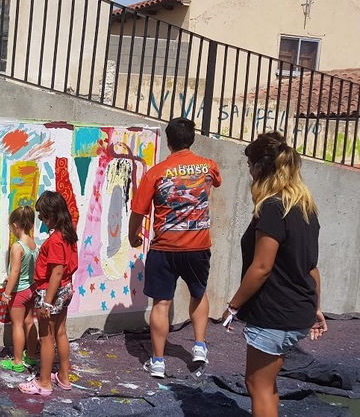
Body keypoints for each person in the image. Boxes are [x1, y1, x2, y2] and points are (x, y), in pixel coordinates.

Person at [222, 132, 326, 417]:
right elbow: (311, 266)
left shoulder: (272, 207)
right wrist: (316, 307)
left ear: (260, 168)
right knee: (266, 384)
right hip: (297, 311)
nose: (248, 173)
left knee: (258, 384)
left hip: (274, 314)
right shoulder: (306, 209)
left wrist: (233, 305)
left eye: (249, 166)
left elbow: (261, 267)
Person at [128, 117, 222, 379]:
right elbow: (216, 181)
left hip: (165, 248)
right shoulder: (208, 167)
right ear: (192, 139)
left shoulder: (156, 173)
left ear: (168, 142)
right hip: (198, 245)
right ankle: (199, 346)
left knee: (161, 303)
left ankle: (158, 361)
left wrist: (131, 235)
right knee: (198, 293)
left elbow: (138, 211)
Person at [18, 191, 78, 396]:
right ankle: (63, 376)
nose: (42, 221)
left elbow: (57, 271)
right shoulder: (68, 234)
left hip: (51, 292)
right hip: (66, 289)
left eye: (43, 216)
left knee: (46, 337)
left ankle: (44, 382)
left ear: (52, 214)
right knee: (60, 332)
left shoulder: (55, 240)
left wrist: (47, 303)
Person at [0, 206, 39, 373]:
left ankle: (16, 362)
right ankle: (30, 355)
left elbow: (15, 271)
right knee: (29, 322)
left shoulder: (17, 246)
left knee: (17, 326)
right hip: (31, 289)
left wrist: (7, 293)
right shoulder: (33, 243)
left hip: (18, 292)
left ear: (15, 225)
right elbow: (26, 268)